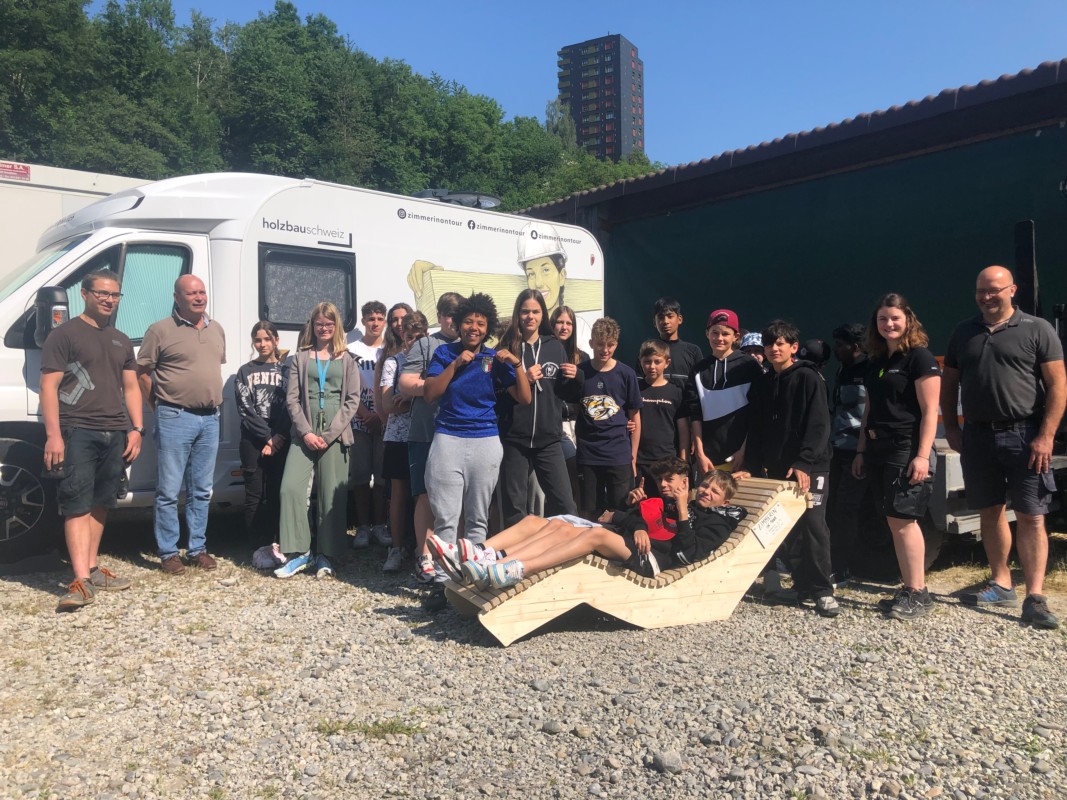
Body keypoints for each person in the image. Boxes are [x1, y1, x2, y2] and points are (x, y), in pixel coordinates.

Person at [941, 266, 1066, 630]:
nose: (986, 297)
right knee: (990, 511)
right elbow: (949, 384)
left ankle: (1035, 597)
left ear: (1012, 290)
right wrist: (952, 427)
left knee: (1031, 515)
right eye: (981, 290)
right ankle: (1001, 583)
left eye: (994, 290)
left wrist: (1046, 435)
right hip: (978, 437)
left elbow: (1058, 385)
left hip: (1025, 436)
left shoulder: (1036, 329)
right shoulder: (964, 332)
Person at [430, 459, 745, 590]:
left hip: (656, 561)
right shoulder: (680, 503)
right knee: (552, 525)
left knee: (594, 535)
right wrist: (637, 523)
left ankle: (517, 568)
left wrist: (682, 508)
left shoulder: (717, 523)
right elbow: (641, 515)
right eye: (706, 486)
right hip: (638, 544)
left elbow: (689, 554)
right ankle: (487, 558)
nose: (706, 492)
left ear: (725, 501)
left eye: (715, 491)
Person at [41, 268, 143, 610]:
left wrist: (136, 429)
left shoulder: (121, 339)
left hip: (115, 431)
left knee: (101, 502)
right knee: (76, 503)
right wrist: (54, 435)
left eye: (114, 295)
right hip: (77, 429)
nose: (109, 300)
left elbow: (131, 387)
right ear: (84, 294)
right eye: (102, 293)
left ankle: (93, 568)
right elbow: (48, 387)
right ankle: (80, 580)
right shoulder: (64, 335)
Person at [422, 292, 530, 609]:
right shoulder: (444, 352)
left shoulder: (494, 358)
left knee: (478, 517)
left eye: (480, 323)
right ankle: (441, 583)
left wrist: (517, 364)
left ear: (488, 327)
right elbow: (430, 393)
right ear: (458, 324)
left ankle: (474, 581)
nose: (474, 327)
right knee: (446, 516)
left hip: (486, 440)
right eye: (468, 321)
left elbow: (525, 398)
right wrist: (456, 364)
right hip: (448, 438)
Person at [738, 319, 840, 618]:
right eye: (769, 343)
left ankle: (822, 591)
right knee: (787, 527)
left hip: (811, 468)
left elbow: (819, 425)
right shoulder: (764, 382)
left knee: (813, 525)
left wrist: (804, 462)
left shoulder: (809, 378)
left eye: (780, 343)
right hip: (778, 469)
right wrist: (752, 466)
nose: (774, 348)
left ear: (794, 347)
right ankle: (803, 584)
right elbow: (756, 428)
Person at [853, 296, 941, 620]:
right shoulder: (876, 361)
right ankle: (909, 587)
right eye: (882, 319)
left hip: (905, 446)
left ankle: (919, 592)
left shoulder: (919, 358)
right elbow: (869, 409)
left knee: (904, 519)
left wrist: (922, 456)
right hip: (878, 447)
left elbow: (930, 411)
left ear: (907, 320)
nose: (888, 324)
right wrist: (861, 449)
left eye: (894, 318)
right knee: (893, 520)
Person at [137, 274, 225, 575]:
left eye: (202, 292)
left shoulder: (216, 329)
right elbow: (141, 372)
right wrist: (159, 407)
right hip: (175, 417)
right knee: (169, 491)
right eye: (191, 293)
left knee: (201, 490)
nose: (199, 297)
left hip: (210, 418)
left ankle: (197, 548)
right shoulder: (160, 330)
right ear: (177, 298)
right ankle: (169, 553)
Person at [274, 302, 361, 579]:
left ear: (337, 326)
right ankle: (300, 552)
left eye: (329, 323)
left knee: (330, 494)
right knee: (290, 488)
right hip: (304, 433)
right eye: (319, 323)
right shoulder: (300, 358)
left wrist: (328, 434)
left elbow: (352, 400)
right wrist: (306, 433)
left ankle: (327, 553)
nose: (324, 328)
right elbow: (292, 400)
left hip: (335, 433)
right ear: (312, 325)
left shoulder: (347, 360)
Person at [496, 289, 581, 527]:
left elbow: (566, 393)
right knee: (514, 509)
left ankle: (568, 547)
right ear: (517, 314)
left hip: (549, 440)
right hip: (515, 439)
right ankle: (516, 550)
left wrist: (577, 377)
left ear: (543, 314)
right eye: (525, 311)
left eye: (535, 311)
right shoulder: (506, 347)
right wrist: (524, 379)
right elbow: (497, 394)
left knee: (566, 504)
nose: (530, 317)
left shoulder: (554, 346)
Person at [397, 291, 464, 587]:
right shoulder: (425, 344)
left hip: (460, 432)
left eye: (457, 314)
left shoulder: (471, 344)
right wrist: (436, 385)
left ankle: (454, 555)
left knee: (458, 496)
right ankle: (424, 556)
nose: (453, 320)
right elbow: (405, 382)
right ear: (439, 317)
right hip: (425, 431)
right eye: (448, 315)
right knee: (425, 494)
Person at [576, 317, 643, 517]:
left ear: (616, 344)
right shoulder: (581, 372)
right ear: (591, 343)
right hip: (588, 455)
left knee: (622, 512)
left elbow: (635, 417)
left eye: (610, 344)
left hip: (619, 454)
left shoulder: (627, 374)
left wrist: (632, 457)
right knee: (589, 513)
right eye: (600, 344)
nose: (605, 349)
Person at [377, 310, 427, 573]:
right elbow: (387, 405)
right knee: (398, 493)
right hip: (398, 436)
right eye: (409, 337)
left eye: (419, 337)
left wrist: (409, 398)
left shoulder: (433, 362)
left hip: (425, 435)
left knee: (423, 494)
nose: (414, 342)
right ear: (402, 337)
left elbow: (438, 395)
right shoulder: (393, 363)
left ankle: (422, 550)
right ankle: (396, 549)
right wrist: (419, 399)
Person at [686, 309, 763, 475]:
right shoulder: (698, 370)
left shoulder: (750, 366)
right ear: (707, 334)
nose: (719, 338)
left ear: (736, 336)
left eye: (725, 334)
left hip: (742, 462)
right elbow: (695, 413)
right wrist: (700, 453)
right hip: (709, 462)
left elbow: (757, 413)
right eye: (715, 333)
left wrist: (744, 452)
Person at [234, 320, 290, 541]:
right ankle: (256, 546)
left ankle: (276, 541)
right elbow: (244, 408)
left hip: (280, 438)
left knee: (277, 492)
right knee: (253, 494)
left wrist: (279, 437)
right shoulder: (245, 371)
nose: (262, 344)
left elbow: (292, 407)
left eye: (267, 339)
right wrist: (267, 438)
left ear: (276, 340)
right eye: (258, 340)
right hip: (253, 439)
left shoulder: (287, 371)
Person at [826, 322, 867, 585]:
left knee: (847, 509)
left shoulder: (870, 369)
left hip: (857, 452)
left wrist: (862, 451)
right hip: (837, 449)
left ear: (855, 346)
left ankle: (843, 568)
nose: (836, 350)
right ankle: (832, 562)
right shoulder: (843, 369)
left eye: (840, 345)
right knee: (833, 508)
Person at [348, 300, 388, 549]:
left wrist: (380, 416)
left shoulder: (389, 349)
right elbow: (347, 388)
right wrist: (364, 414)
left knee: (382, 477)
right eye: (371, 319)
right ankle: (363, 527)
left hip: (385, 420)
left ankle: (380, 525)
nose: (375, 323)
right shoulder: (351, 350)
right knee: (361, 475)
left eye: (380, 319)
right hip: (359, 420)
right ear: (363, 321)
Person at [635, 339, 690, 499]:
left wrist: (683, 461)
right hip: (640, 461)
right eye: (647, 362)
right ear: (640, 362)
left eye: (657, 361)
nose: (652, 366)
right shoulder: (634, 389)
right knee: (643, 505)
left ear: (667, 363)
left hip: (667, 461)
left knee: (669, 506)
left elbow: (683, 430)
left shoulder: (676, 392)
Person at [551, 305, 589, 509]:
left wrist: (579, 376)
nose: (564, 327)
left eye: (569, 323)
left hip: (578, 424)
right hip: (555, 424)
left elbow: (588, 393)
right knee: (563, 476)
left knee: (579, 478)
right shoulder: (545, 353)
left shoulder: (582, 357)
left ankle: (579, 520)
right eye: (559, 322)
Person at [646, 297, 703, 391]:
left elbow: (700, 386)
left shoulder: (693, 351)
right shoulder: (647, 350)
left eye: (670, 316)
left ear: (679, 319)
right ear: (654, 322)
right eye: (661, 317)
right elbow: (639, 385)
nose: (665, 321)